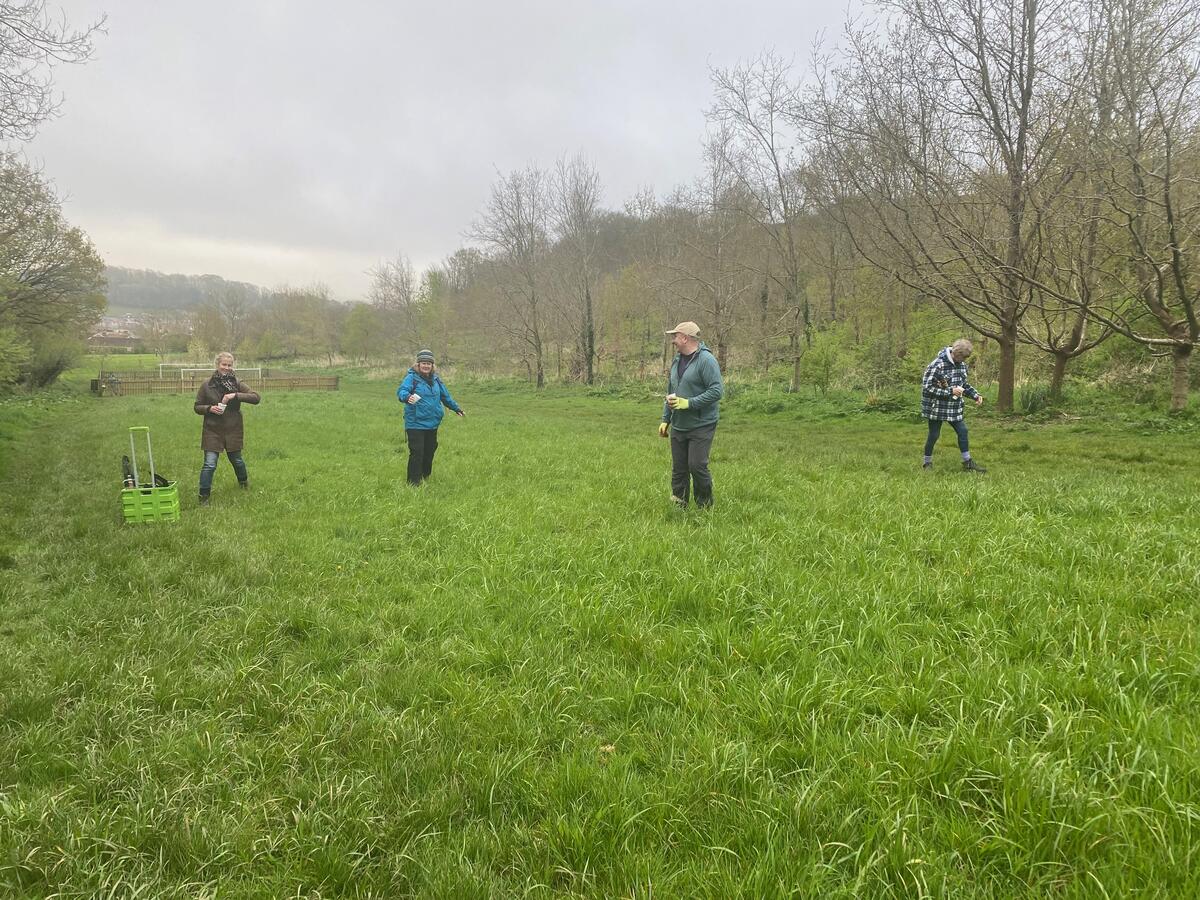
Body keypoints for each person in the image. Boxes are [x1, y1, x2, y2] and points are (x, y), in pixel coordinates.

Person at [659, 321, 724, 508]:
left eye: (675, 336)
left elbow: (716, 391)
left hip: (701, 424)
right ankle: (679, 503)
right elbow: (671, 391)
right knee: (679, 468)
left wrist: (689, 403)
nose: (673, 340)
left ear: (685, 338)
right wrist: (665, 419)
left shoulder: (706, 360)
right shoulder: (677, 360)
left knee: (696, 466)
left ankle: (705, 506)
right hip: (679, 424)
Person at [194, 351, 261, 504]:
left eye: (229, 365)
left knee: (237, 460)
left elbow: (256, 397)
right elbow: (197, 407)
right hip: (212, 430)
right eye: (224, 364)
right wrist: (209, 409)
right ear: (217, 365)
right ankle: (204, 496)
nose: (227, 368)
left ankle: (243, 484)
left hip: (233, 429)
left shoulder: (237, 383)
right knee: (209, 464)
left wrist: (235, 395)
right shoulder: (206, 385)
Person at [396, 349, 464, 486]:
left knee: (429, 451)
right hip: (415, 422)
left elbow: (445, 396)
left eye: (429, 363)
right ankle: (413, 483)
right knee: (417, 452)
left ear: (432, 365)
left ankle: (424, 477)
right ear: (418, 364)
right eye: (423, 363)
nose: (426, 366)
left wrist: (456, 408)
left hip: (432, 423)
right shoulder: (411, 378)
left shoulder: (436, 379)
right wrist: (407, 397)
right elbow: (401, 391)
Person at [921, 338, 986, 472]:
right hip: (936, 407)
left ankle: (967, 463)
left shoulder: (962, 365)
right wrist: (950, 391)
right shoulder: (936, 365)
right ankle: (927, 463)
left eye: (965, 359)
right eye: (961, 358)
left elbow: (964, 385)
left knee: (963, 431)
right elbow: (927, 388)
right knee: (934, 435)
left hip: (954, 407)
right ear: (955, 353)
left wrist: (975, 395)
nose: (963, 361)